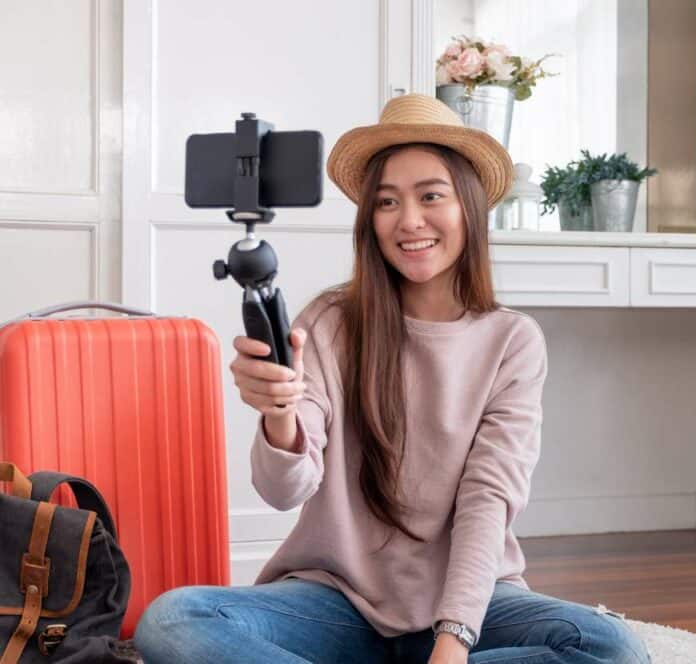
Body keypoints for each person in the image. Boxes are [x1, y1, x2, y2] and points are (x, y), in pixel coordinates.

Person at [133, 93, 651, 664]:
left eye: (431, 195)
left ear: (469, 208)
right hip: (336, 602)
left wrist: (452, 642)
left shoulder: (513, 340)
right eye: (386, 202)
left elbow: (488, 499)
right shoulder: (328, 322)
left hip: (468, 605)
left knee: (613, 647)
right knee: (174, 621)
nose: (409, 221)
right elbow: (284, 491)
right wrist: (278, 415)